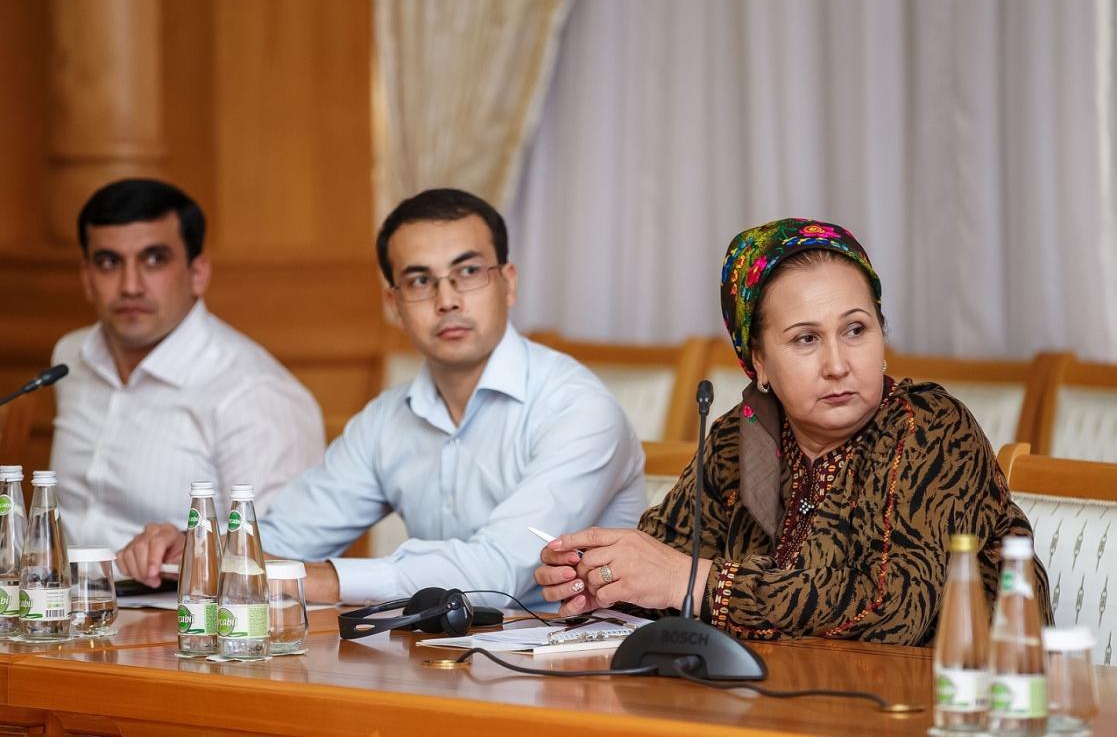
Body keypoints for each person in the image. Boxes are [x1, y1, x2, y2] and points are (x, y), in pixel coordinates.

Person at [535, 218, 1053, 646]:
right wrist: (599, 577)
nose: (837, 364)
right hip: (782, 702)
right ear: (758, 362)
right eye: (806, 339)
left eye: (856, 330)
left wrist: (690, 582)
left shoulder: (929, 426)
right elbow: (667, 560)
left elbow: (890, 609)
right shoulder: (742, 439)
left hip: (953, 708)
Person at [118, 188, 647, 606]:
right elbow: (286, 538)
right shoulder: (386, 422)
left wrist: (319, 580)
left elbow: (499, 570)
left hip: (576, 666)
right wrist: (202, 550)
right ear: (394, 304)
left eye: (467, 273)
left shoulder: (578, 410)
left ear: (507, 283)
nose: (446, 301)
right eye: (420, 281)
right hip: (443, 660)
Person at [51, 178, 325, 553]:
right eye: (109, 262)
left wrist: (187, 551)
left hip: (178, 609)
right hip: (61, 601)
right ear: (87, 278)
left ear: (198, 274)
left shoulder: (254, 392)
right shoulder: (70, 357)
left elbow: (280, 560)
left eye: (154, 259)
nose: (130, 285)